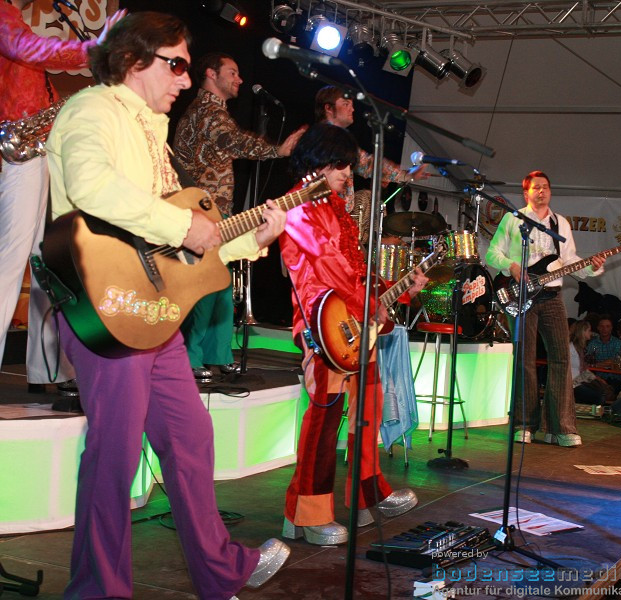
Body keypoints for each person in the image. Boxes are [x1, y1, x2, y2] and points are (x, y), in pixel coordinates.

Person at [45, 12, 289, 597]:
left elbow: (177, 246)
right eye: (176, 64)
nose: (186, 78)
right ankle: (98, 591)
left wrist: (248, 241)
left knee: (189, 438)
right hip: (108, 308)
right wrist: (182, 226)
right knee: (115, 455)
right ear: (134, 60)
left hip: (154, 312)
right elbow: (92, 187)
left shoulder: (155, 132)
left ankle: (220, 572)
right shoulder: (93, 111)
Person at [279, 123, 427, 545]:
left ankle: (366, 497)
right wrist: (369, 300)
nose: (348, 173)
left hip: (356, 323)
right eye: (340, 165)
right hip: (323, 327)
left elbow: (354, 270)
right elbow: (329, 268)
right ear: (318, 162)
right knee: (324, 422)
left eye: (348, 165)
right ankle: (306, 514)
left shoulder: (335, 208)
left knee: (368, 413)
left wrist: (396, 289)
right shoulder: (299, 206)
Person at [0, 0, 123, 394]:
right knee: (11, 261)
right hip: (17, 148)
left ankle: (48, 370)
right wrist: (93, 47)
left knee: (43, 260)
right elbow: (26, 48)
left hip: (33, 149)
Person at [173, 52, 302, 381]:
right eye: (232, 72)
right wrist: (276, 150)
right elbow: (233, 141)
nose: (239, 79)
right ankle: (190, 356)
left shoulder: (215, 112)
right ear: (210, 73)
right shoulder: (206, 111)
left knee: (220, 285)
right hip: (198, 215)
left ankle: (216, 353)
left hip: (214, 213)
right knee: (205, 287)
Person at [485, 170, 605, 447]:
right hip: (521, 295)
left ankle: (560, 427)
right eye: (536, 187)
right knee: (525, 360)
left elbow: (569, 260)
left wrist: (591, 267)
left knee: (561, 358)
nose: (542, 191)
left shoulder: (560, 223)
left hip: (552, 295)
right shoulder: (513, 219)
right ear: (526, 193)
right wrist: (511, 265)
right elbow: (492, 253)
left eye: (546, 187)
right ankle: (524, 424)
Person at [569, 320, 614, 412]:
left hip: (578, 380)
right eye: (589, 330)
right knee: (599, 396)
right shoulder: (571, 348)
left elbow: (582, 369)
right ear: (583, 332)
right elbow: (579, 370)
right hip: (573, 383)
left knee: (603, 391)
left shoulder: (580, 348)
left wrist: (597, 379)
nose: (591, 333)